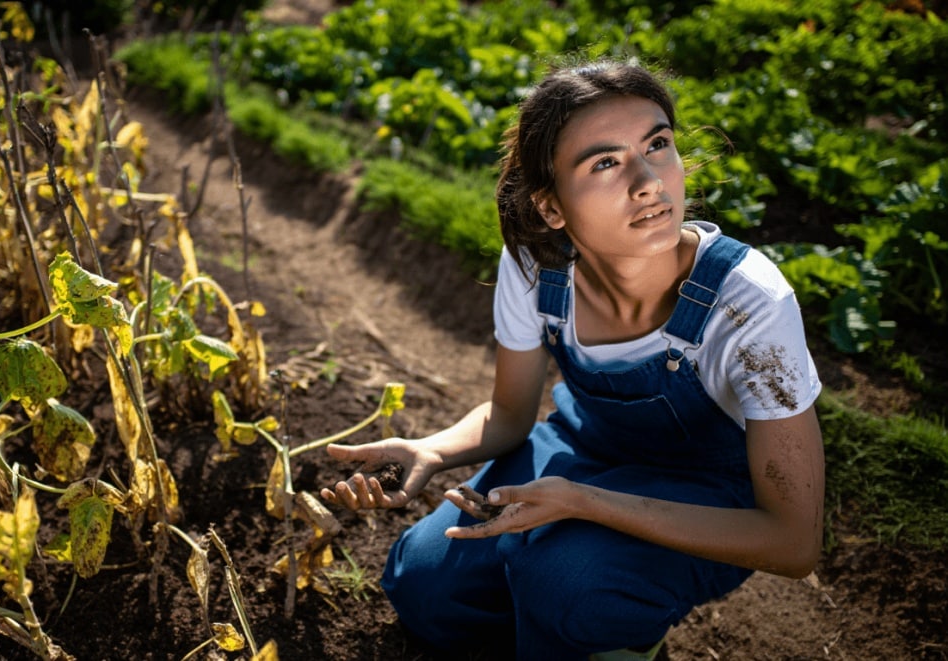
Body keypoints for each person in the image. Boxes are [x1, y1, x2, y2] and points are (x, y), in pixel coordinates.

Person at [319, 57, 825, 660]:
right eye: (605, 163)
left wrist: (583, 502)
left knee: (567, 584)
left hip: (708, 493)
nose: (649, 181)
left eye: (657, 144)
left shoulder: (749, 307)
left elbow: (794, 544)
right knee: (426, 583)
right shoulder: (537, 265)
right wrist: (433, 449)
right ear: (551, 208)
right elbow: (510, 416)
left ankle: (612, 632)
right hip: (584, 448)